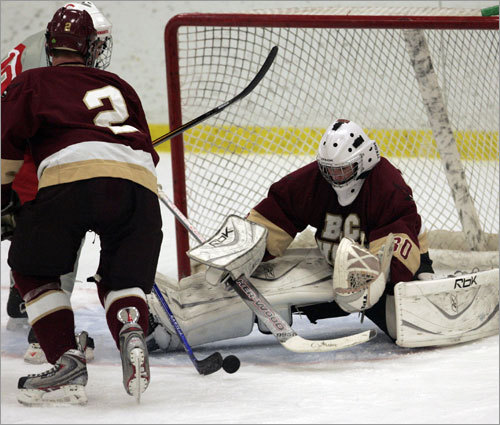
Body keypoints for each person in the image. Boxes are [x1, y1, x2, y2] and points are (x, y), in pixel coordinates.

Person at [145, 118, 435, 352]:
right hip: (332, 265)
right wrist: (244, 249)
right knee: (253, 284)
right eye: (329, 170)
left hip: (388, 275)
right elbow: (278, 213)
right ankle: (169, 320)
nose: (335, 178)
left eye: (343, 170)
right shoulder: (316, 180)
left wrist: (369, 278)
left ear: (365, 159)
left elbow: (395, 250)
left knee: (403, 325)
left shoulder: (388, 186)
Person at [1, 6, 162, 406]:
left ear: (49, 45)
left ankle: (65, 359)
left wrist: (4, 198)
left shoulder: (31, 81)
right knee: (124, 281)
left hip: (70, 183)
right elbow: (147, 153)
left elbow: (5, 149)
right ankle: (131, 330)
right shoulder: (120, 85)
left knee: (32, 269)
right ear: (92, 48)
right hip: (138, 189)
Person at [1, 0, 112, 364]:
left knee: (36, 226)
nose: (101, 51)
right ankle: (44, 337)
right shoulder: (48, 68)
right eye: (98, 43)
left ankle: (22, 297)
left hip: (9, 150)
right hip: (12, 158)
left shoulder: (39, 47)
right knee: (65, 218)